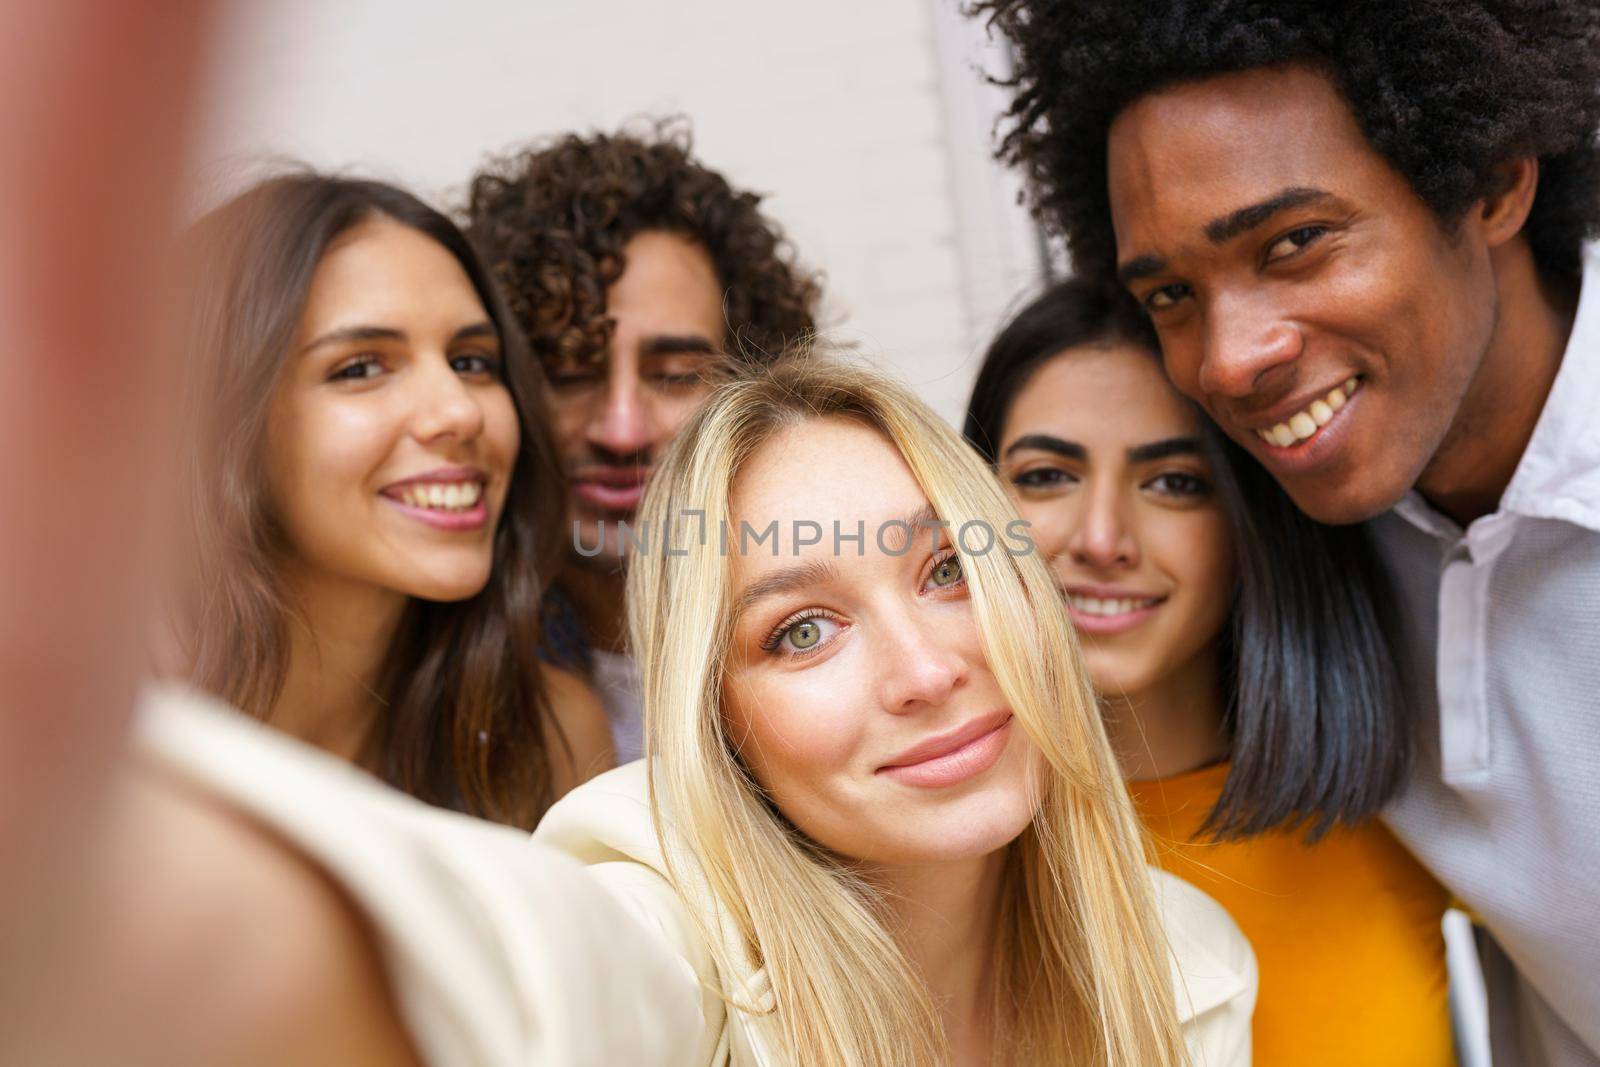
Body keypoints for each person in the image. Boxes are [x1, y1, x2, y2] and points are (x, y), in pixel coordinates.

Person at [125, 352, 1255, 1066]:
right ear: (723, 727)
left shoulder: (1184, 965)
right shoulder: (665, 927)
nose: (924, 668)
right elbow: (520, 979)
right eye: (799, 631)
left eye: (947, 569)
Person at [978, 2, 1600, 1061]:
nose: (1228, 360)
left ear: (1492, 180)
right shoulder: (1307, 529)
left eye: (1295, 242)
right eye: (1172, 292)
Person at [965, 278, 1451, 1065]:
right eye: (1047, 475)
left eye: (1175, 483)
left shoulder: (1416, 807)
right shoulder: (938, 863)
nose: (1101, 538)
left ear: (1249, 518)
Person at [174, 174, 612, 826]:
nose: (459, 411)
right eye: (360, 367)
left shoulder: (554, 738)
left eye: (471, 361)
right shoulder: (87, 739)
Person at [465, 122, 821, 761]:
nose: (622, 430)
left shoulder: (838, 646)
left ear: (754, 384)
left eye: (675, 376)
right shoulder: (443, 684)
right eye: (570, 373)